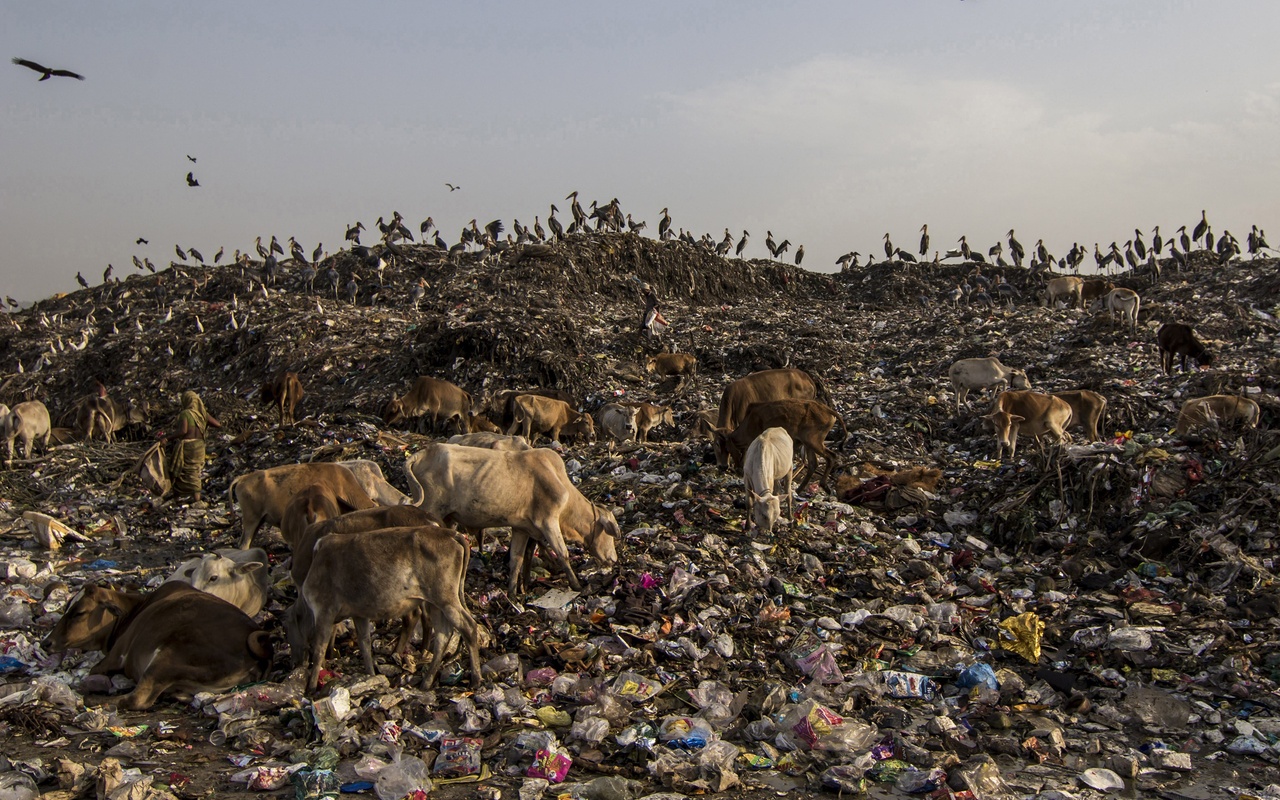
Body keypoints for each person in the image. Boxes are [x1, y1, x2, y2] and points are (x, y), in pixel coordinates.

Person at [168, 390, 220, 504]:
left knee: (182, 471)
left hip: (188, 445)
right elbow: (218, 424)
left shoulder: (185, 413)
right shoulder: (202, 414)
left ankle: (178, 497)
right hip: (200, 446)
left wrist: (167, 438)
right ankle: (196, 498)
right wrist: (204, 423)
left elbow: (183, 431)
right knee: (195, 470)